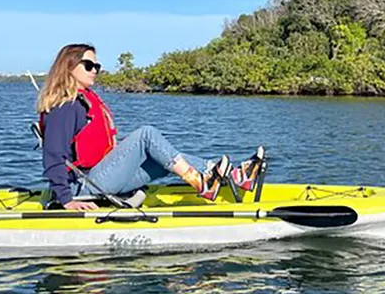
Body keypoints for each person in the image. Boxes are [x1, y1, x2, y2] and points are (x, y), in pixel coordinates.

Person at [36, 43, 264, 210]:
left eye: (97, 65)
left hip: (101, 178)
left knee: (166, 158)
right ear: (68, 67)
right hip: (83, 186)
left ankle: (234, 176)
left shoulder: (83, 100)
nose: (95, 69)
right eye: (88, 65)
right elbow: (54, 155)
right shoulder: (64, 107)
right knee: (147, 134)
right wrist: (66, 200)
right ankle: (201, 182)